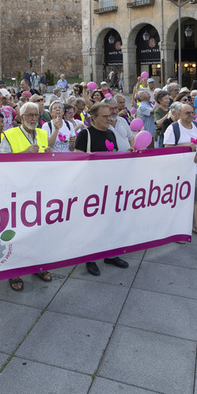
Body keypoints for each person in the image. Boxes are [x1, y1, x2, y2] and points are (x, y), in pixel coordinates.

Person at [0, 103, 54, 290]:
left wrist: (48, 155)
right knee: (17, 233)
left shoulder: (43, 134)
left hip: (39, 191)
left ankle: (38, 265)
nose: (33, 119)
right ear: (20, 118)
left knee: (39, 231)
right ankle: (14, 272)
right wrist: (23, 154)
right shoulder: (9, 135)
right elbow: (0, 164)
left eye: (36, 115)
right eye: (29, 115)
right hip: (17, 193)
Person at [75, 102, 131, 273]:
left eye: (110, 116)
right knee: (92, 223)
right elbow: (77, 158)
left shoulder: (110, 133)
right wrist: (90, 157)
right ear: (94, 118)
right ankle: (90, 258)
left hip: (111, 185)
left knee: (111, 221)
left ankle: (111, 254)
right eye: (105, 116)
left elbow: (113, 155)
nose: (109, 119)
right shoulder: (85, 134)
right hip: (92, 187)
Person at [163, 102, 197, 239]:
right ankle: (177, 230)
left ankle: (196, 226)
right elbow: (167, 148)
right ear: (178, 114)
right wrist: (184, 145)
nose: (191, 115)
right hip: (180, 171)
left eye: (192, 112)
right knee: (179, 201)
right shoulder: (173, 128)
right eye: (187, 113)